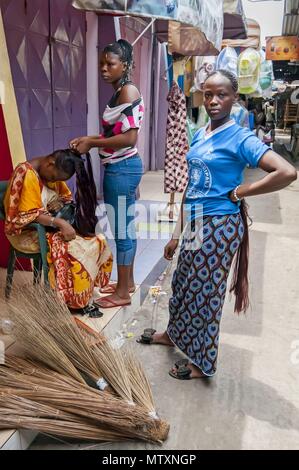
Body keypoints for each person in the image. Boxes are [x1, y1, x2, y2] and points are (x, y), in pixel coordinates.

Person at [138, 70, 297, 380]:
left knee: (205, 294)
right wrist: (175, 233)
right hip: (196, 222)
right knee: (183, 285)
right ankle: (174, 335)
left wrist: (240, 192)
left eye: (221, 94)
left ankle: (203, 362)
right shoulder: (201, 134)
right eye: (208, 94)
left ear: (234, 97)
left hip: (220, 225)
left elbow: (286, 172)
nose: (213, 100)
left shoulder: (241, 137)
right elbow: (191, 185)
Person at [70, 39, 144, 308]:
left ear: (123, 66)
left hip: (122, 170)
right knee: (125, 229)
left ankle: (122, 293)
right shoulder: (118, 92)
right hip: (119, 169)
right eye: (101, 63)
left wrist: (93, 143)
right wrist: (89, 138)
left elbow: (129, 138)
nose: (103, 69)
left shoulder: (128, 92)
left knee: (122, 232)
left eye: (109, 64)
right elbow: (114, 133)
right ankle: (129, 283)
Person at [4, 149, 113, 311]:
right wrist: (59, 222)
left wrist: (60, 205)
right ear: (50, 163)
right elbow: (27, 215)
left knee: (98, 240)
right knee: (74, 248)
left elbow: (65, 197)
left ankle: (82, 293)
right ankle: (69, 300)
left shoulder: (51, 172)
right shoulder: (27, 173)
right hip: (26, 232)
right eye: (54, 177)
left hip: (47, 227)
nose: (54, 181)